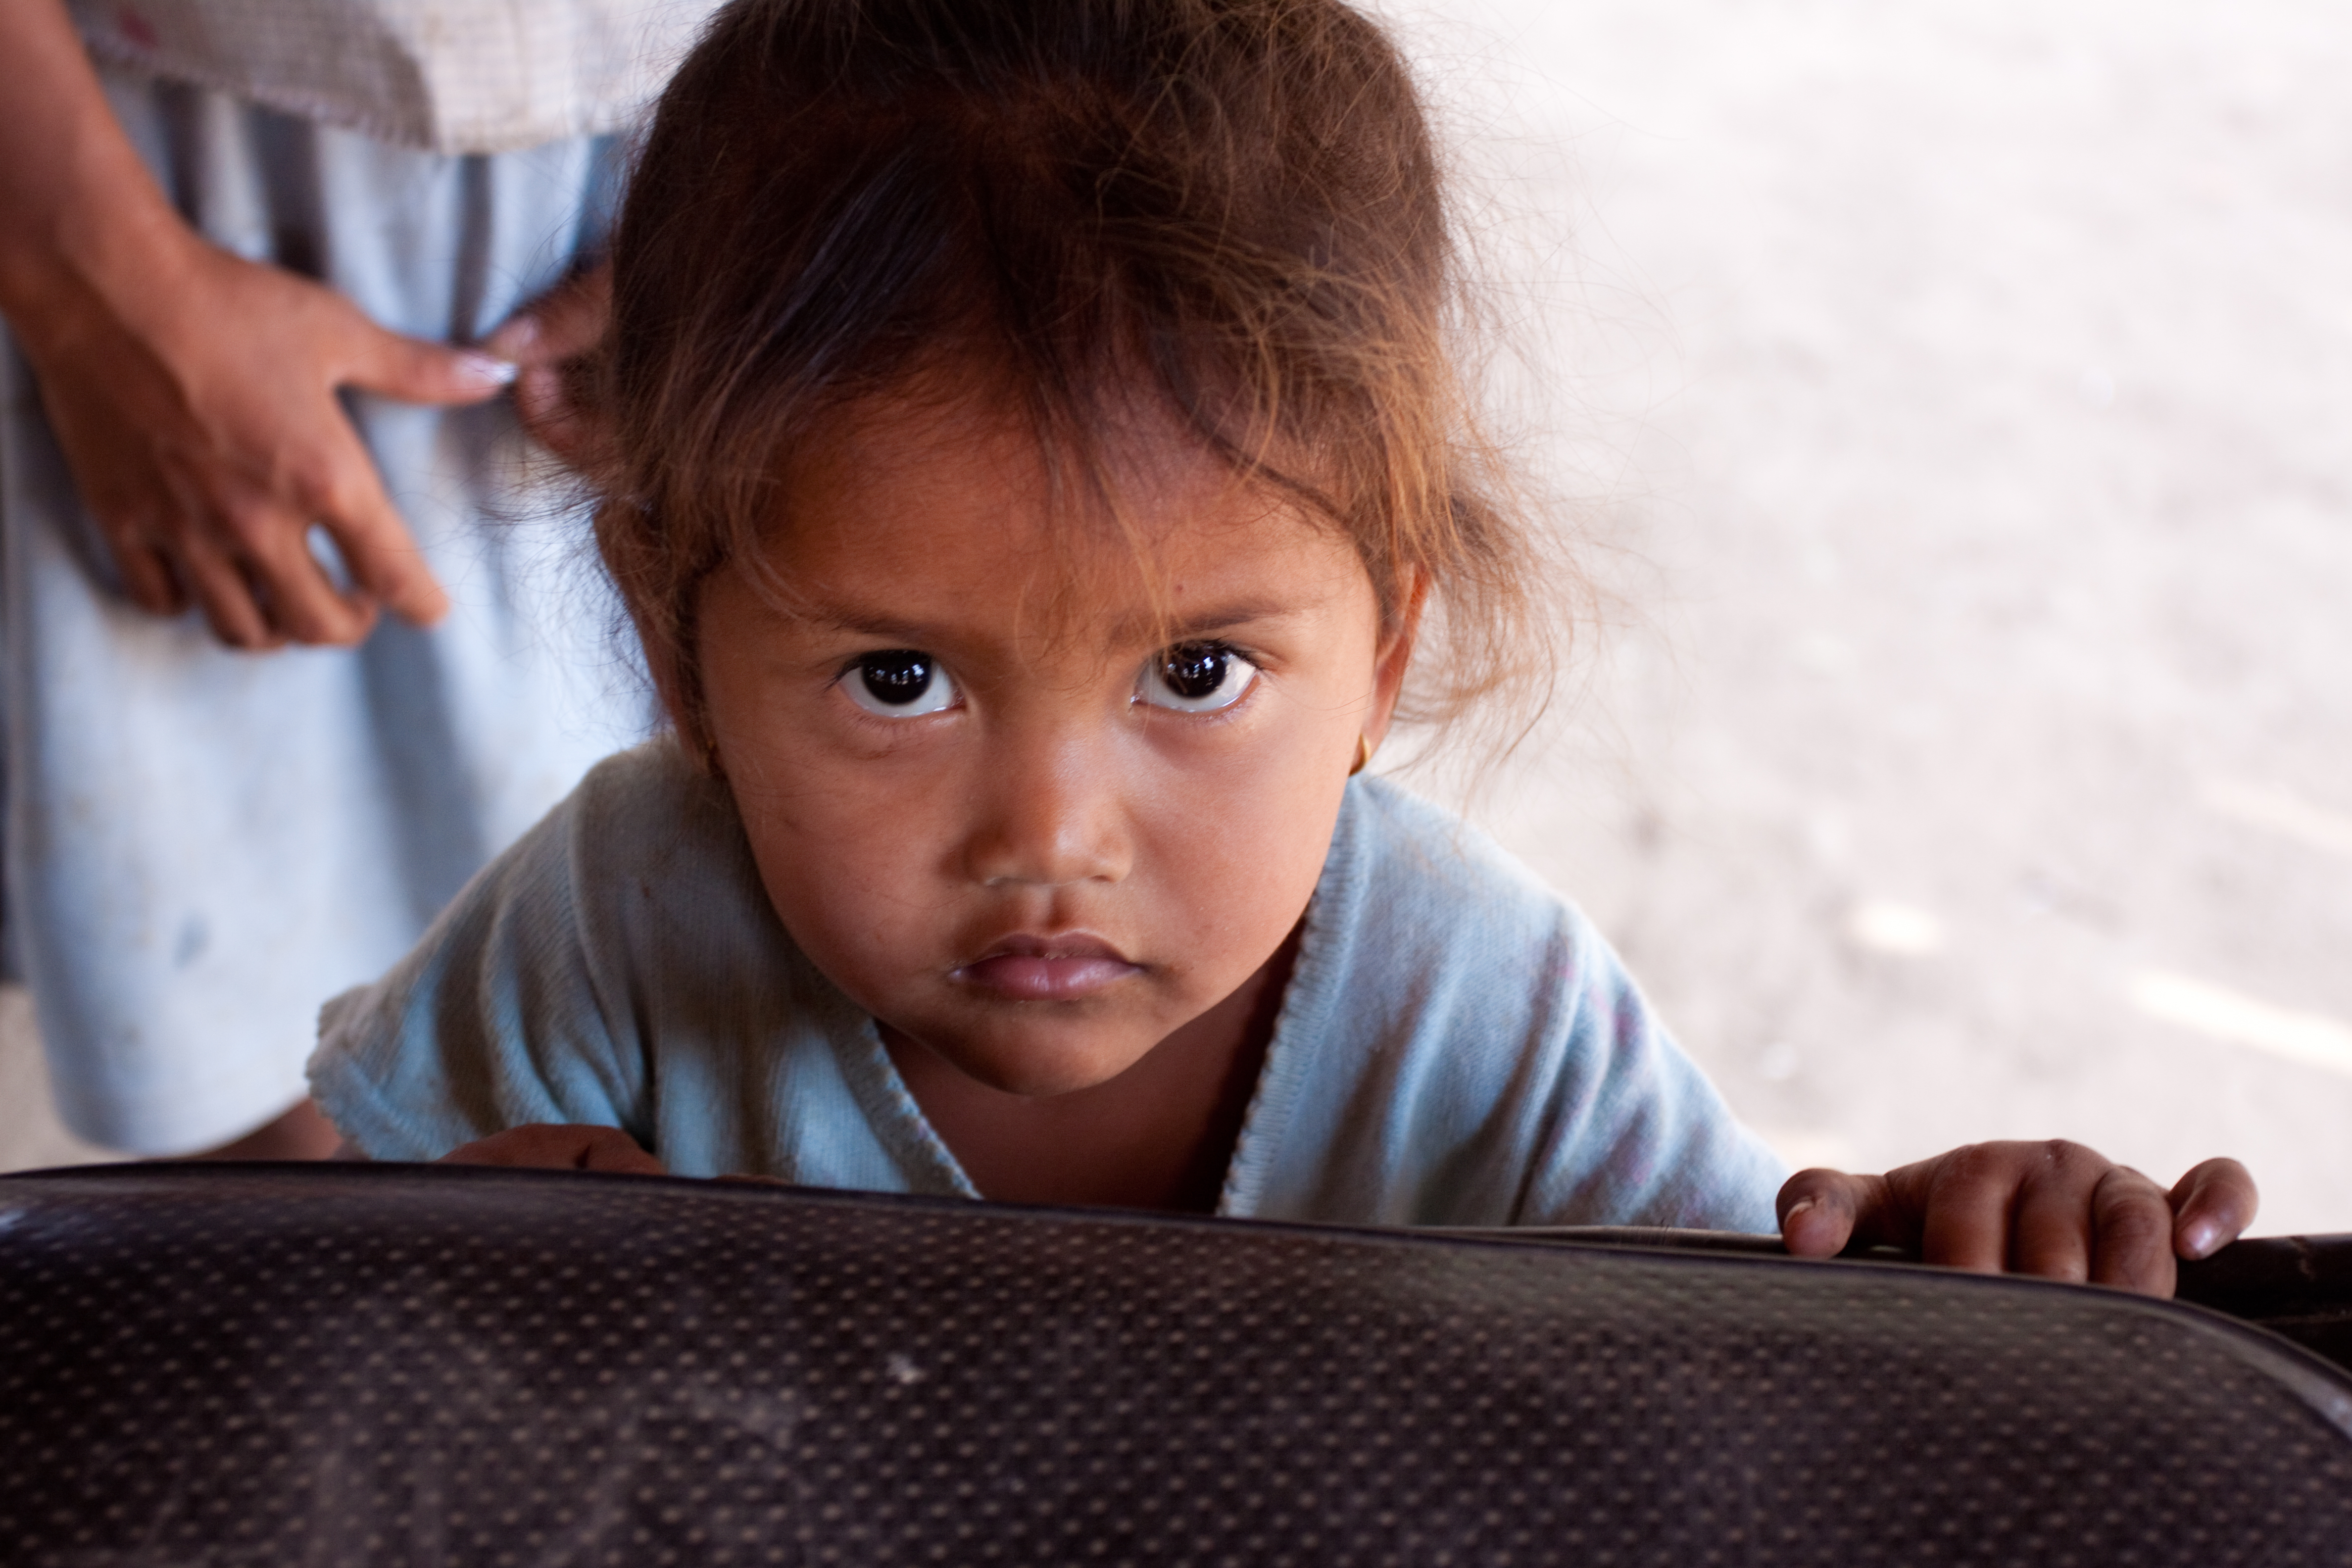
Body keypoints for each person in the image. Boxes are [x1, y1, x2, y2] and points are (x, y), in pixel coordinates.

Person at [308, 0, 2256, 1295]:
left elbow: (1732, 1362)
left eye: (1198, 674)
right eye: (901, 679)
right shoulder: (609, 936)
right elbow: (286, 1318)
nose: (1050, 836)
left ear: (1386, 655)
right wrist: (434, 1275)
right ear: (674, 640)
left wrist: (1939, 1278)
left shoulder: (1476, 1019)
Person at [0, 0, 707, 1157]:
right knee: (279, 1131)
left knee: (692, 1062)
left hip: (730, 139)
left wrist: (836, 178)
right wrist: (93, 286)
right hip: (149, 190)